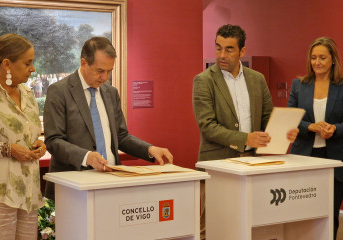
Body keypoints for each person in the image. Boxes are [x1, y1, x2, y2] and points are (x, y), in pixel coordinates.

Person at [192, 24, 298, 240]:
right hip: (217, 163)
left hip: (252, 162)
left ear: (242, 51)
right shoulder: (203, 81)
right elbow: (207, 126)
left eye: (229, 49)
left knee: (249, 223)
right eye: (218, 47)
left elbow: (268, 117)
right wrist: (246, 138)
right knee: (213, 227)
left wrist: (284, 130)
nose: (222, 55)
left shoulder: (256, 79)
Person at [44, 37, 173, 200]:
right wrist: (87, 157)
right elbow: (54, 141)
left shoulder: (110, 93)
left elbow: (121, 136)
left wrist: (149, 149)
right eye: (99, 71)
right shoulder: (59, 91)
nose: (104, 77)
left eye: (109, 71)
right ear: (84, 63)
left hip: (112, 182)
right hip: (73, 188)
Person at [0, 33, 47, 240]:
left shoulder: (28, 94)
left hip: (28, 191)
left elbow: (30, 134)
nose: (33, 68)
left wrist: (38, 145)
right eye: (28, 63)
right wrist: (6, 149)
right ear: (7, 64)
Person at [287, 37, 343, 240]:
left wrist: (335, 129)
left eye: (322, 58)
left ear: (333, 60)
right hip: (305, 156)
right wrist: (309, 126)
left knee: (330, 213)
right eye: (313, 58)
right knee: (303, 211)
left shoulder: (341, 85)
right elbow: (290, 118)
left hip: (335, 159)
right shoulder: (299, 85)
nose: (317, 62)